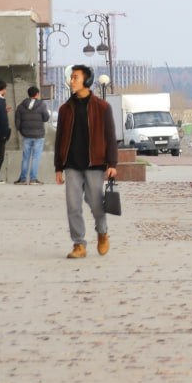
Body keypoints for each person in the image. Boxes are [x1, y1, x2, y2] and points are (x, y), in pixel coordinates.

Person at [54, 65, 118, 259]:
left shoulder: (102, 107)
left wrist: (112, 164)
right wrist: (58, 167)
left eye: (76, 77)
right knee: (73, 206)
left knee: (96, 203)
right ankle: (79, 244)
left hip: (95, 164)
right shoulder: (65, 109)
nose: (72, 81)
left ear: (87, 81)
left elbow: (110, 136)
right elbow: (59, 138)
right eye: (71, 77)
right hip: (72, 164)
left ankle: (102, 232)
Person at [15, 85, 50, 185]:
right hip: (39, 135)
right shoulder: (42, 105)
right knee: (36, 157)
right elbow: (46, 118)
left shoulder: (21, 106)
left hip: (26, 135)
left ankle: (22, 179)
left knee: (25, 158)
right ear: (37, 94)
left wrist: (22, 131)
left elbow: (17, 122)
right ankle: (33, 179)